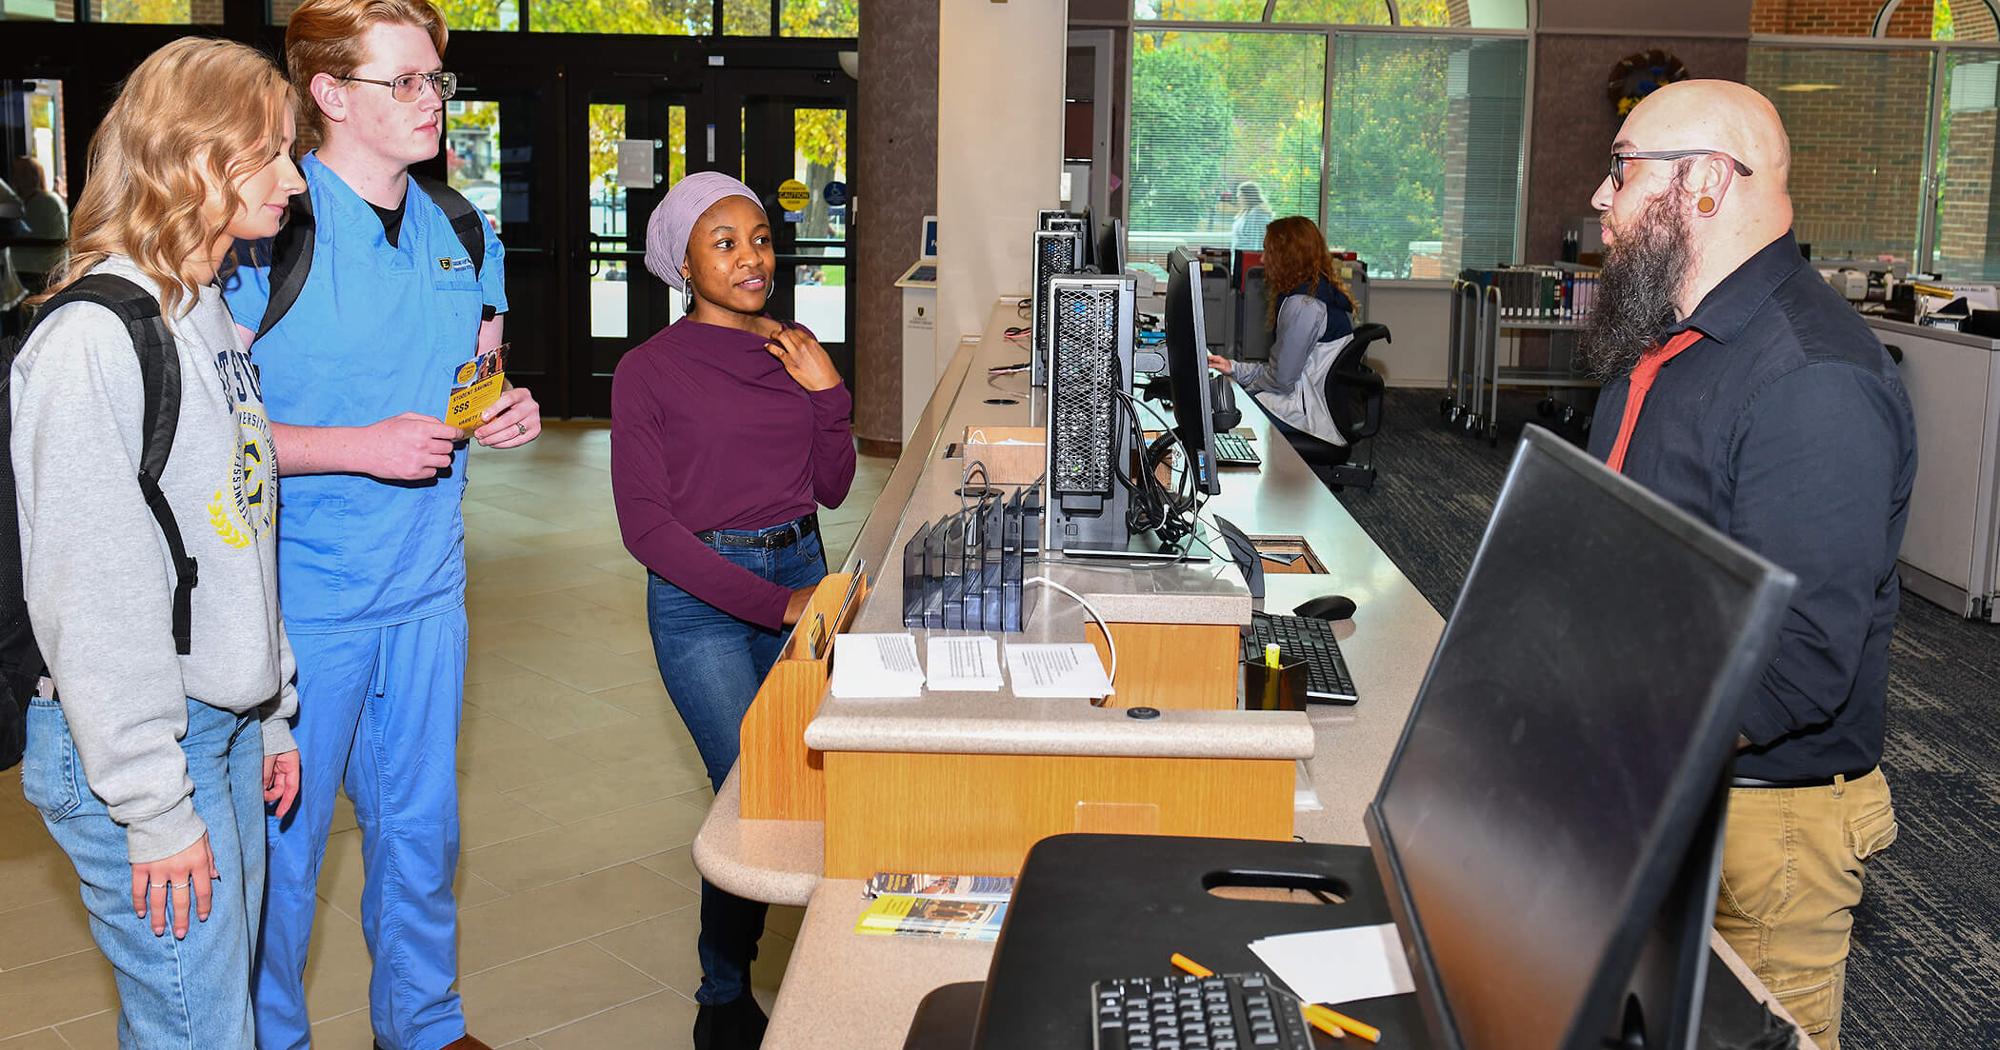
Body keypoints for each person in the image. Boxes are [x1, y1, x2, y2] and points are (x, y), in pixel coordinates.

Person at [220, 0, 539, 1046]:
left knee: (419, 835)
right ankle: (272, 1036)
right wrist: (354, 444)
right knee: (286, 855)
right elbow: (208, 430)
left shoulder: (460, 226)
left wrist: (500, 404)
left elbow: (471, 371)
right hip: (303, 604)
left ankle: (426, 1026)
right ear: (328, 97)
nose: (432, 102)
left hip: (428, 590)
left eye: (436, 80)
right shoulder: (268, 226)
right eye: (403, 81)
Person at [1581, 79, 1914, 1050]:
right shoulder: (1675, 344)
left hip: (1759, 825)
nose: (1600, 197)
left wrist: (1608, 754)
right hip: (1657, 779)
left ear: (1702, 185)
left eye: (1621, 166)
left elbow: (1795, 662)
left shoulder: (1808, 380)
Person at [11, 37, 303, 1047]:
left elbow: (239, 533)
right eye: (268, 153)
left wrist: (270, 705)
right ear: (192, 157)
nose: (294, 179)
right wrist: (151, 804)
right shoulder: (95, 337)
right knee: (197, 1033)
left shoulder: (209, 312)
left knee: (221, 1021)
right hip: (137, 738)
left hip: (217, 722)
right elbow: (92, 594)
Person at [610, 171, 855, 1050]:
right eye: (726, 243)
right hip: (703, 601)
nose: (753, 257)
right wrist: (775, 602)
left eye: (759, 237)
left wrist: (829, 394)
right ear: (682, 262)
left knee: (809, 789)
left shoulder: (791, 347)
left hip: (800, 561)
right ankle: (723, 993)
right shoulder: (648, 372)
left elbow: (829, 485)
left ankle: (800, 970)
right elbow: (647, 529)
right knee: (750, 798)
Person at [1207, 215, 1356, 456]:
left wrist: (1246, 390)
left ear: (1287, 256)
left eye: (1268, 251)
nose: (1263, 260)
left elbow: (1282, 380)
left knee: (1217, 416)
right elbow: (1281, 370)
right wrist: (1233, 368)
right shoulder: (1318, 292)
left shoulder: (1304, 305)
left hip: (1307, 415)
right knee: (1222, 401)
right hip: (1303, 401)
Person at [11, 155, 70, 289]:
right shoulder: (28, 203)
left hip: (40, 274)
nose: (20, 178)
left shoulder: (44, 202)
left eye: (28, 173)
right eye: (19, 173)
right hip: (40, 271)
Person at [1229, 180, 1272, 251]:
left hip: (1248, 258)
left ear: (1248, 196)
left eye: (1240, 195)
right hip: (1240, 256)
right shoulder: (1245, 212)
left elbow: (1258, 244)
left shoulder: (1257, 216)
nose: (1237, 197)